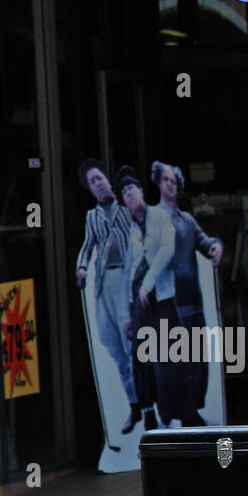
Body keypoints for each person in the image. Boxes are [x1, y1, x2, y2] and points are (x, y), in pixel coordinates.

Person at [154, 161, 223, 425]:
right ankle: (174, 412)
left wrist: (216, 246)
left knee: (197, 360)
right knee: (173, 362)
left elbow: (206, 243)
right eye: (166, 180)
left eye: (174, 181)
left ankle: (191, 410)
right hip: (168, 303)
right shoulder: (154, 219)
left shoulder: (187, 220)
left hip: (192, 301)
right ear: (159, 184)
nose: (170, 185)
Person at [75, 159, 139, 434]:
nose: (98, 184)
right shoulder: (92, 217)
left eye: (100, 178)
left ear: (108, 180)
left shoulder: (126, 211)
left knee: (131, 345)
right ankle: (134, 406)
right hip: (104, 284)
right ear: (89, 189)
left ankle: (147, 406)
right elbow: (88, 246)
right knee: (112, 345)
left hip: (125, 280)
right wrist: (81, 267)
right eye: (93, 181)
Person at [117, 166, 175, 432]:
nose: (128, 194)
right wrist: (126, 316)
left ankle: (168, 413)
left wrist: (148, 283)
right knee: (140, 360)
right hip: (138, 305)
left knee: (165, 357)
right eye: (124, 192)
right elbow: (126, 272)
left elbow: (166, 250)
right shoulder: (129, 231)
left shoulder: (160, 217)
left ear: (141, 191)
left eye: (132, 189)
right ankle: (148, 413)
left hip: (160, 299)